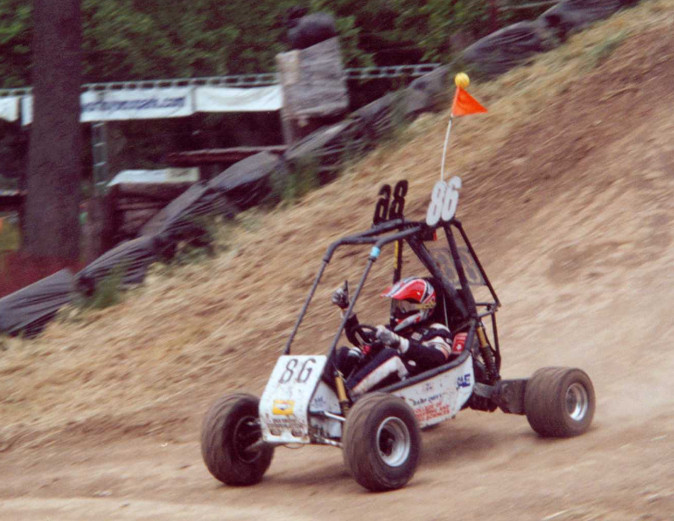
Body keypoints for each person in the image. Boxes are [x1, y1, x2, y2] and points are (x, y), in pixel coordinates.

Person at [331, 277, 456, 397]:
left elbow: (438, 358)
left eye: (404, 306)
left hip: (419, 387)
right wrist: (346, 310)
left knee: (392, 356)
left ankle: (347, 397)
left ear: (424, 307)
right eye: (397, 305)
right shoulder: (396, 330)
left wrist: (399, 343)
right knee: (348, 353)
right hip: (389, 387)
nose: (397, 310)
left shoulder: (437, 330)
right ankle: (328, 389)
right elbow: (362, 341)